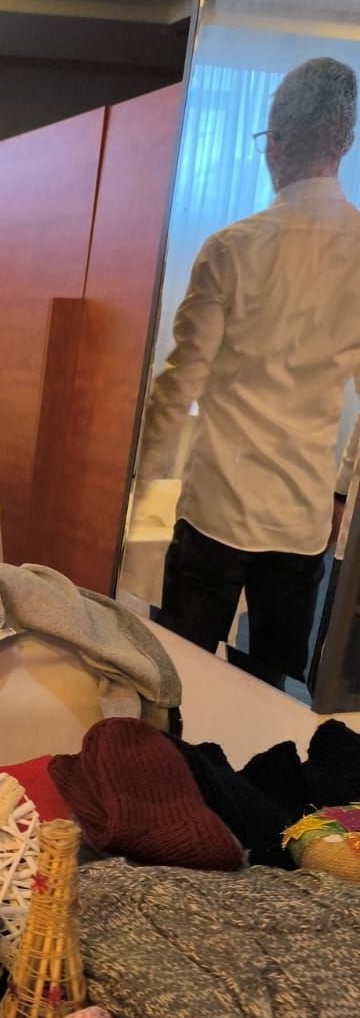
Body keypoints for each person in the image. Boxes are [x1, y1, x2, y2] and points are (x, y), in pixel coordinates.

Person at [137, 57, 360, 685]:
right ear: (344, 143)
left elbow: (180, 382)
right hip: (302, 516)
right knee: (271, 696)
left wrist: (140, 483)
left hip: (217, 507)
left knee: (177, 681)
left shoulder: (231, 249)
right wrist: (342, 495)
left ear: (278, 142)